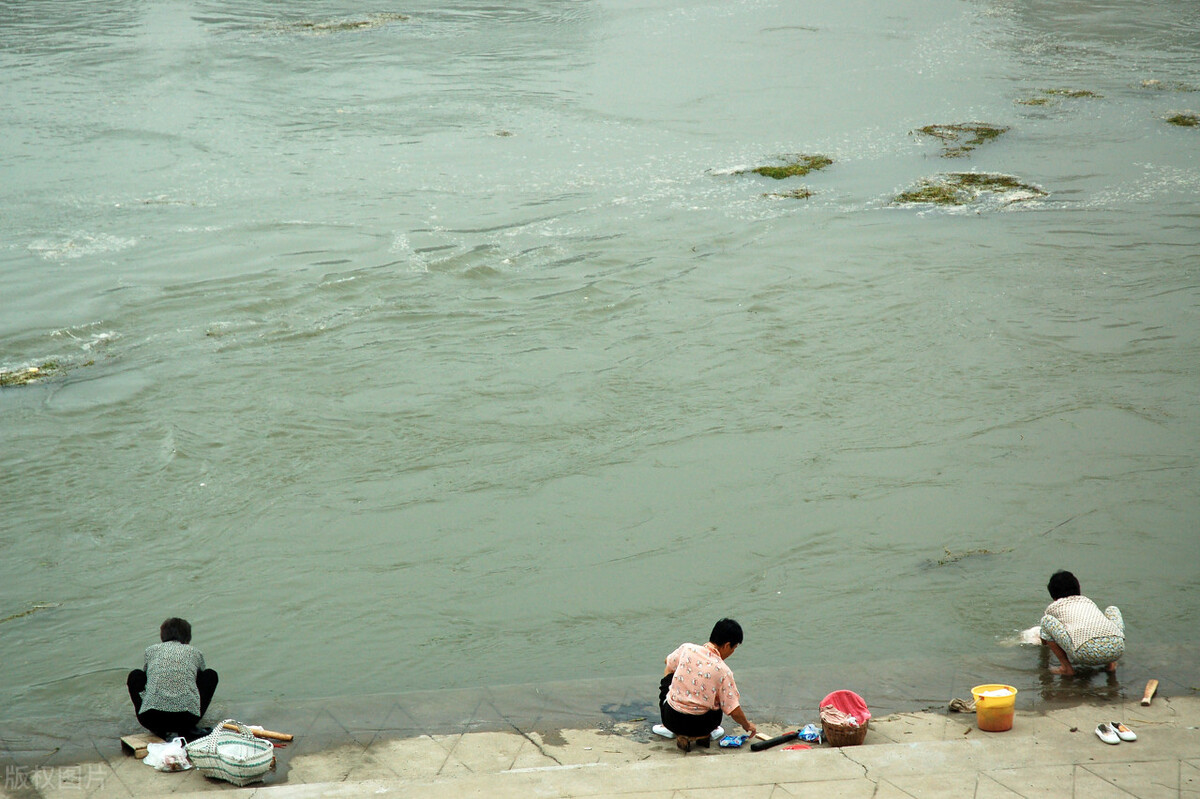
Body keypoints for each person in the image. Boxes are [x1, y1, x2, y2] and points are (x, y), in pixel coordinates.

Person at [659, 618, 757, 752]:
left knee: (669, 674)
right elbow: (733, 709)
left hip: (670, 719)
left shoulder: (687, 649)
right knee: (721, 696)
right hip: (702, 725)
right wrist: (747, 725)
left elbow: (667, 661)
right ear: (727, 645)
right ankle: (702, 735)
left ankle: (675, 730)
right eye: (734, 648)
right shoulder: (723, 671)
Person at [127, 617, 218, 740]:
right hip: (187, 719)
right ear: (188, 638)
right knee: (210, 675)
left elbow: (147, 676)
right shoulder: (195, 652)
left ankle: (158, 729)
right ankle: (189, 729)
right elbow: (199, 678)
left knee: (136, 675)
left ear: (162, 636)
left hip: (150, 719)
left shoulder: (150, 650)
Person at [1039, 570, 1125, 676]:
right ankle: (1111, 664)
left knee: (1046, 621)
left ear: (1054, 596)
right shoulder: (1087, 601)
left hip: (1085, 653)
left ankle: (1066, 668)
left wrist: (1044, 647)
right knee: (1112, 609)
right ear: (1078, 589)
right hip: (1118, 649)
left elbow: (1046, 630)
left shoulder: (1053, 607)